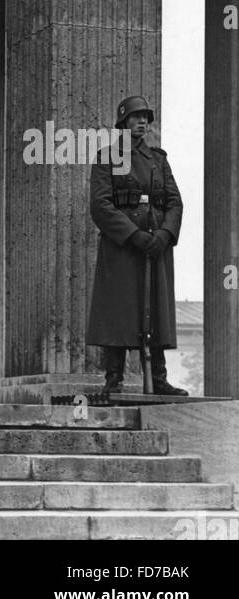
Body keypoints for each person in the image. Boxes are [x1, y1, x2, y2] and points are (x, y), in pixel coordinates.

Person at [86, 94, 187, 397]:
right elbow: (101, 206)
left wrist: (165, 234)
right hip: (122, 246)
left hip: (156, 243)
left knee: (154, 306)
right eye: (135, 117)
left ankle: (158, 377)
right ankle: (113, 379)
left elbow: (174, 201)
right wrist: (133, 235)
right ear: (123, 122)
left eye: (145, 117)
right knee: (118, 308)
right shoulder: (108, 157)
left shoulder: (158, 159)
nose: (142, 121)